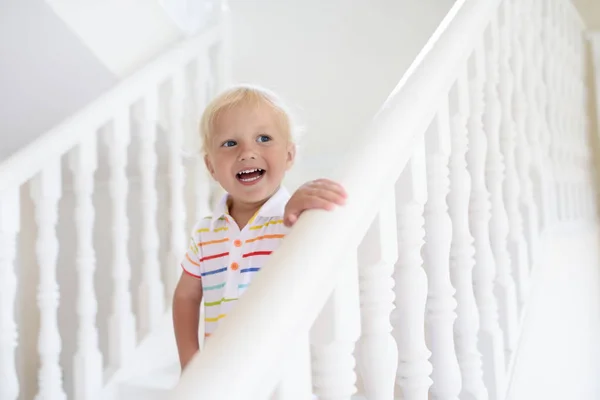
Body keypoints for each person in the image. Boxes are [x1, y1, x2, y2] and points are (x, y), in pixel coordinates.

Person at [173, 84, 347, 371]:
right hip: (220, 374)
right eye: (230, 143)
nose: (247, 152)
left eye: (264, 138)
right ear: (211, 167)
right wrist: (190, 362)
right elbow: (185, 296)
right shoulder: (205, 234)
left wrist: (298, 209)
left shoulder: (298, 220)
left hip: (279, 371)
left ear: (289, 155)